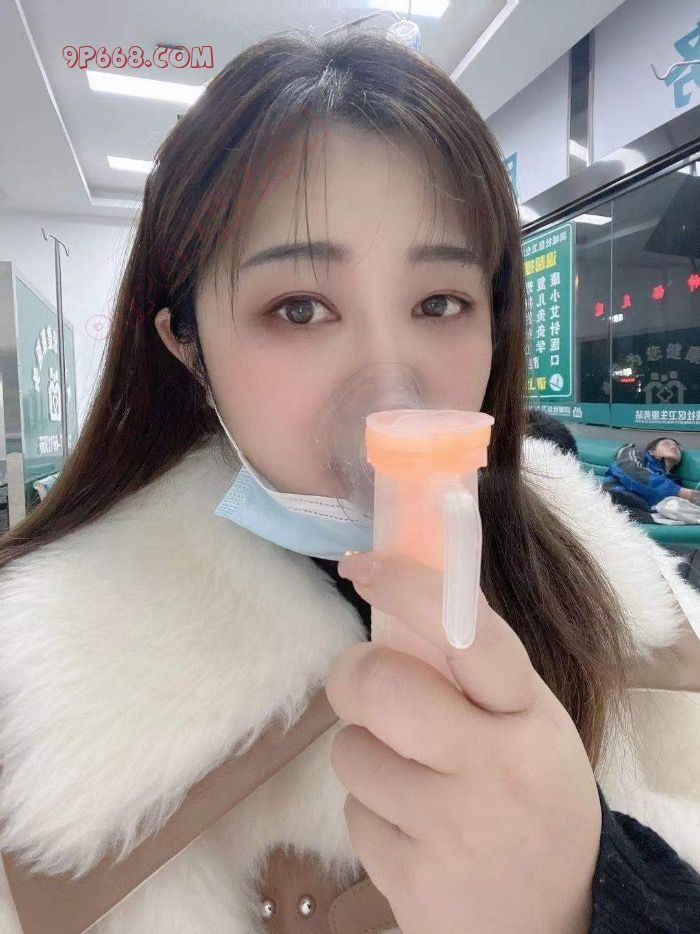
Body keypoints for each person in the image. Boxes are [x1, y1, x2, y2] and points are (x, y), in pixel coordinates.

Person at [0, 30, 699, 934]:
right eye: (299, 308)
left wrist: (594, 896)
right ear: (187, 347)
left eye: (440, 303)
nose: (390, 391)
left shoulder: (632, 605)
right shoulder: (39, 712)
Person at [602, 437, 700, 523]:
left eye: (677, 447)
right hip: (611, 501)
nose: (674, 447)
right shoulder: (634, 453)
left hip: (643, 515)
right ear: (652, 451)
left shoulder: (675, 482)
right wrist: (678, 491)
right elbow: (631, 472)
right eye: (667, 444)